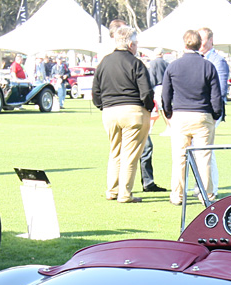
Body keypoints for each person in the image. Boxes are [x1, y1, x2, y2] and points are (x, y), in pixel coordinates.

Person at [161, 29, 223, 205]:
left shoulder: (173, 66)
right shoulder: (208, 66)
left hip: (180, 115)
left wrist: (168, 113)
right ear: (199, 44)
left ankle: (177, 195)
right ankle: (206, 194)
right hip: (202, 114)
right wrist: (215, 114)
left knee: (179, 157)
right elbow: (215, 95)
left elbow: (166, 94)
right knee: (204, 156)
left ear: (184, 43)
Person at [92, 25, 153, 204]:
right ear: (131, 44)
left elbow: (95, 91)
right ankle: (125, 193)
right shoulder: (136, 63)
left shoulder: (104, 62)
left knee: (115, 152)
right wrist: (148, 108)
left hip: (110, 111)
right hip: (133, 110)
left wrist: (102, 106)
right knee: (130, 154)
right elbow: (146, 92)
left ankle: (112, 189)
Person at [198, 28, 228, 196]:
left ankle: (211, 188)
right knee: (201, 151)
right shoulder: (200, 59)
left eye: (202, 40)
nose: (200, 44)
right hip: (200, 110)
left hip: (211, 110)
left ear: (210, 40)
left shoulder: (218, 61)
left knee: (206, 151)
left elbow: (221, 90)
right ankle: (202, 185)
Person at [139, 50, 168, 194]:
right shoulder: (138, 66)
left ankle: (117, 187)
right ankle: (147, 182)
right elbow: (145, 90)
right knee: (146, 147)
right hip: (135, 112)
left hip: (114, 111)